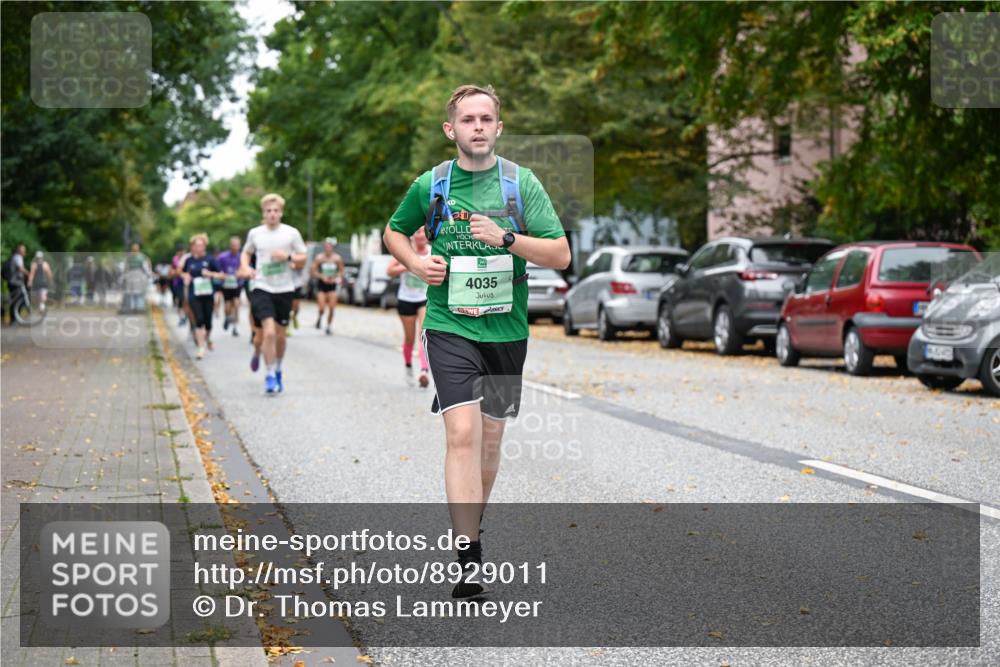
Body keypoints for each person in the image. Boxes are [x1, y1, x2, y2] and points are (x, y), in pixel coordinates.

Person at [383, 84, 570, 598]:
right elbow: (393, 233)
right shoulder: (432, 185)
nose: (479, 126)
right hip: (449, 324)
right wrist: (418, 263)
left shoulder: (521, 184)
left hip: (507, 330)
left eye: (487, 118)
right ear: (452, 130)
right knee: (462, 433)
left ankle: (473, 524)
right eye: (468, 120)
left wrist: (507, 238)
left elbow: (560, 255)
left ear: (499, 127)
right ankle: (468, 554)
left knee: (490, 440)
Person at [238, 193, 307, 394]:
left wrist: (288, 256)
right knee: (268, 332)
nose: (272, 214)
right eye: (268, 211)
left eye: (276, 211)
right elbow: (246, 252)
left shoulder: (291, 233)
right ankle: (268, 374)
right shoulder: (255, 233)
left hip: (285, 288)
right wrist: (245, 267)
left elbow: (302, 258)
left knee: (280, 336)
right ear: (264, 213)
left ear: (281, 212)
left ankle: (277, 368)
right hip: (261, 286)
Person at [386, 227, 431, 387]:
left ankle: (424, 371)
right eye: (418, 232)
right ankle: (408, 366)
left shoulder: (431, 252)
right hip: (406, 300)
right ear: (413, 236)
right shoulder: (406, 252)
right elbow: (389, 271)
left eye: (424, 232)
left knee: (423, 333)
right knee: (409, 338)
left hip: (424, 299)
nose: (422, 235)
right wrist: (410, 265)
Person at [181, 234, 225, 360]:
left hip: (208, 294)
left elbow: (222, 275)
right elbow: (182, 272)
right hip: (194, 294)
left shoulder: (210, 259)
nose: (199, 247)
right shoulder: (189, 260)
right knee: (199, 320)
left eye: (201, 245)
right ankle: (201, 348)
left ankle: (207, 337)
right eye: (196, 245)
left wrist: (210, 274)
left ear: (205, 246)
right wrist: (185, 276)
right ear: (192, 247)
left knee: (208, 322)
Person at [310, 237, 344, 336]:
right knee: (321, 308)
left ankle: (329, 326)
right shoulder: (319, 258)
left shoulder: (337, 258)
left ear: (332, 247)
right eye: (326, 246)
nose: (328, 248)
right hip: (322, 285)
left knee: (332, 307)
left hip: (332, 285)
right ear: (324, 247)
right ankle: (319, 317)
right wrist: (321, 276)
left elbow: (341, 271)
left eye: (330, 246)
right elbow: (313, 271)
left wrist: (336, 277)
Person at [216, 236, 244, 337]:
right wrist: (222, 275)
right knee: (228, 306)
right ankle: (227, 317)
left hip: (237, 284)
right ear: (230, 246)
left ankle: (235, 327)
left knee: (236, 304)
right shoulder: (222, 257)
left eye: (237, 245)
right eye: (233, 245)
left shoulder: (241, 257)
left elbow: (244, 269)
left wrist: (240, 273)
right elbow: (217, 270)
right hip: (226, 284)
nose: (235, 247)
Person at [5, 244, 29, 322]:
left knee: (15, 299)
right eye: (23, 250)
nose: (24, 252)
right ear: (19, 250)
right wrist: (29, 274)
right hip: (15, 282)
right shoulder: (18, 257)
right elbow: (20, 268)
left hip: (12, 281)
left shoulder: (14, 257)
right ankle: (14, 318)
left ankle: (14, 318)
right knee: (18, 299)